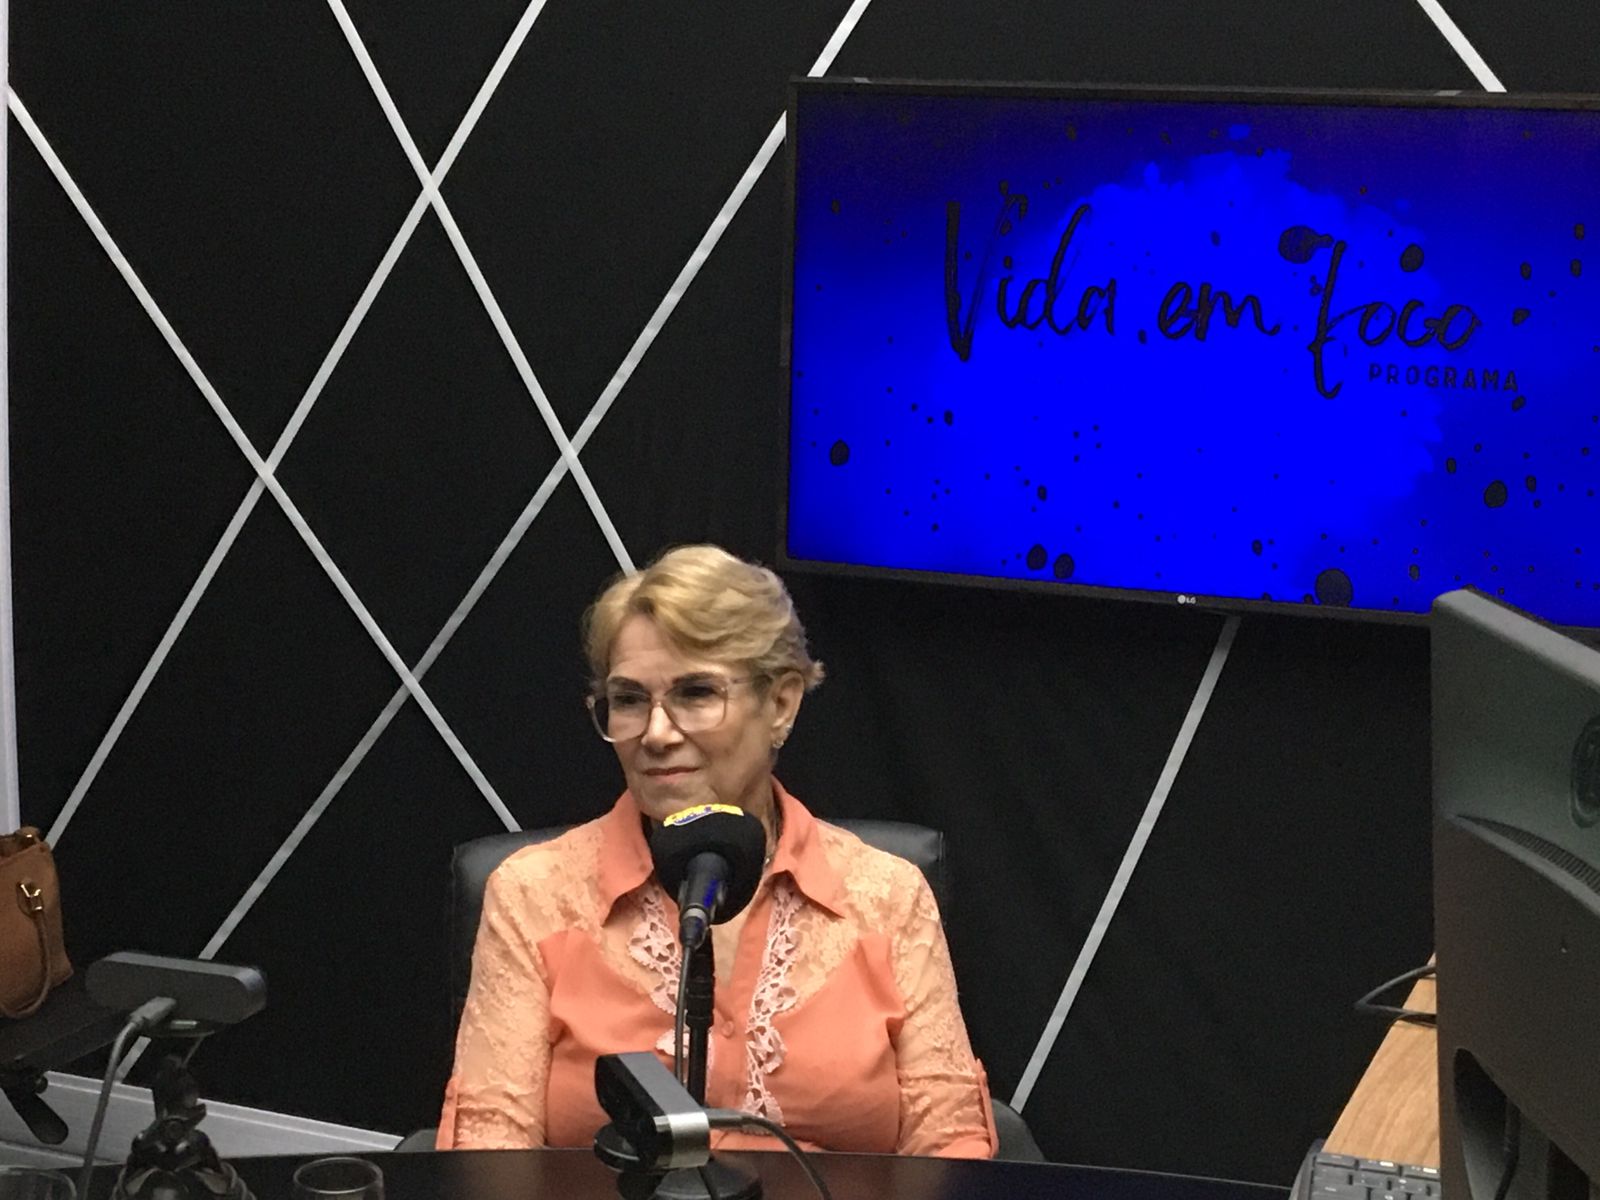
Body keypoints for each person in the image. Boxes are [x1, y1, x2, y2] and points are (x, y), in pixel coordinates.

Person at [437, 545, 996, 1156]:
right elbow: (488, 1151)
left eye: (696, 693)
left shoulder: (889, 896)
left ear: (780, 703)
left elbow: (950, 1143)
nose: (655, 733)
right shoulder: (532, 892)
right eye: (629, 700)